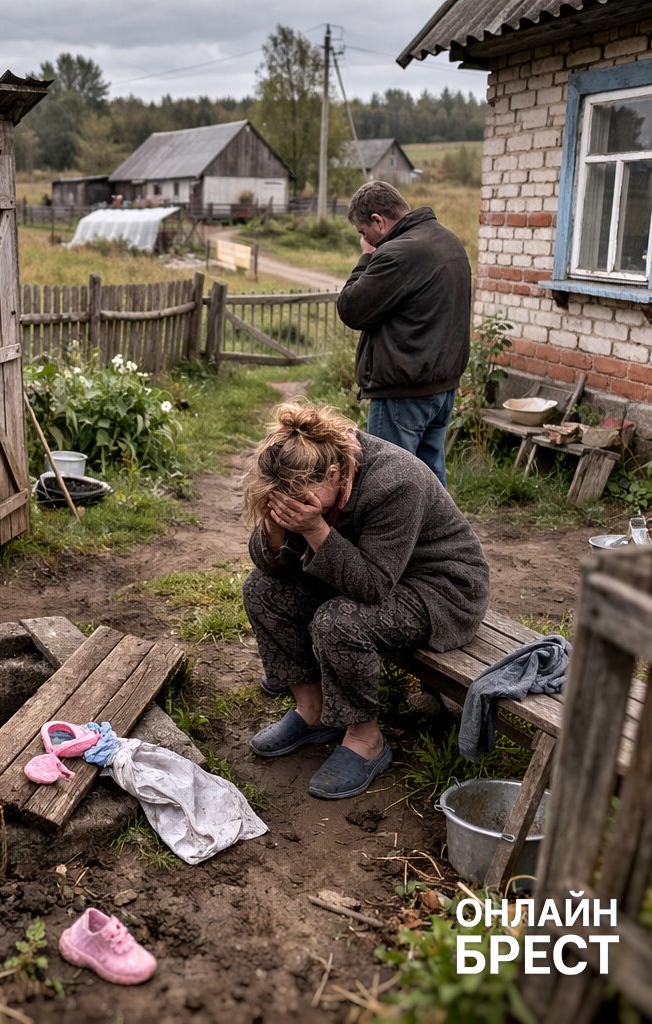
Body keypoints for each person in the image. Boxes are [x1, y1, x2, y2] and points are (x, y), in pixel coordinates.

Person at [241, 400, 490, 799]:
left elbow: (373, 586)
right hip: (370, 573)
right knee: (261, 591)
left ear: (335, 475)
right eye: (280, 499)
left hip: (440, 589)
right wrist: (275, 529)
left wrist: (315, 528)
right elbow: (274, 570)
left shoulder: (396, 481)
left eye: (298, 499)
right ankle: (314, 712)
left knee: (338, 621)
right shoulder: (307, 471)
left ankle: (365, 739)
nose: (291, 506)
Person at [336, 181, 471, 487]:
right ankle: (439, 536)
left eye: (362, 231)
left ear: (378, 221)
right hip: (441, 387)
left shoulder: (398, 252)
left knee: (390, 481)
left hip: (403, 391)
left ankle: (395, 536)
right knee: (431, 479)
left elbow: (351, 309)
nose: (365, 238)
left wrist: (367, 257)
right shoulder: (448, 240)